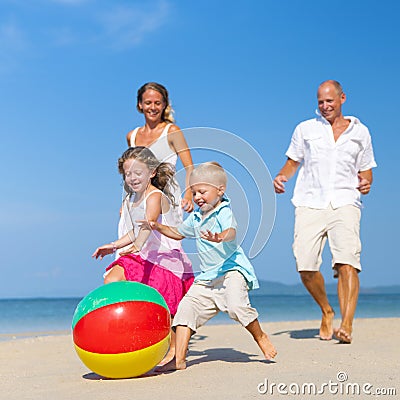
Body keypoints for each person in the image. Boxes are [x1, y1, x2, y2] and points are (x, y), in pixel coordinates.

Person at [139, 162, 277, 371]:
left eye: (202, 191)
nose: (197, 197)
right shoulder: (195, 218)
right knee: (185, 310)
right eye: (194, 193)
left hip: (231, 271)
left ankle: (260, 336)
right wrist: (158, 226)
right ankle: (178, 358)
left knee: (236, 306)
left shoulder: (224, 212)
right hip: (207, 278)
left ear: (220, 190)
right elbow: (178, 232)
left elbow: (231, 232)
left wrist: (221, 237)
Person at [273, 80, 377, 343]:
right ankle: (326, 310)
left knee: (347, 262)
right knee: (305, 265)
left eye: (330, 101)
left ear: (342, 98)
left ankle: (347, 325)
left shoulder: (360, 132)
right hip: (310, 202)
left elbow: (366, 170)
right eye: (320, 101)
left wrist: (366, 183)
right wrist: (282, 177)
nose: (325, 106)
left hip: (346, 202)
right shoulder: (305, 129)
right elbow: (292, 162)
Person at [92, 147, 194, 363]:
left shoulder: (155, 195)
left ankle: (174, 351)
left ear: (152, 172)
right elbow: (134, 230)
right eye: (128, 173)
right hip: (143, 253)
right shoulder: (131, 199)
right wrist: (113, 245)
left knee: (168, 305)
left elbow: (148, 225)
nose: (132, 178)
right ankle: (126, 331)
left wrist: (137, 246)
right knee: (112, 279)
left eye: (138, 172)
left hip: (165, 257)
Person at [117, 82, 194, 251]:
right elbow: (132, 173)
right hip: (138, 200)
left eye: (157, 103)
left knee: (165, 250)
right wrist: (125, 202)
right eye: (148, 103)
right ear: (140, 105)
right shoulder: (132, 136)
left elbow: (190, 168)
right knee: (133, 247)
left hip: (167, 198)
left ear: (164, 105)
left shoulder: (172, 131)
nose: (153, 107)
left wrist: (188, 195)